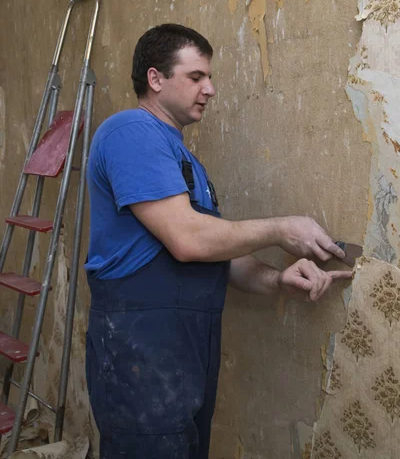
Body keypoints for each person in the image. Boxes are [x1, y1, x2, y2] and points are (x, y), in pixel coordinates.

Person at [85, 24, 352, 459]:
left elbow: (220, 255)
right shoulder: (130, 132)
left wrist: (280, 279)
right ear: (155, 79)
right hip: (141, 352)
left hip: (186, 353)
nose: (209, 89)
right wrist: (282, 227)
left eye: (209, 77)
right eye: (196, 77)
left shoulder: (186, 162)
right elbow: (188, 239)